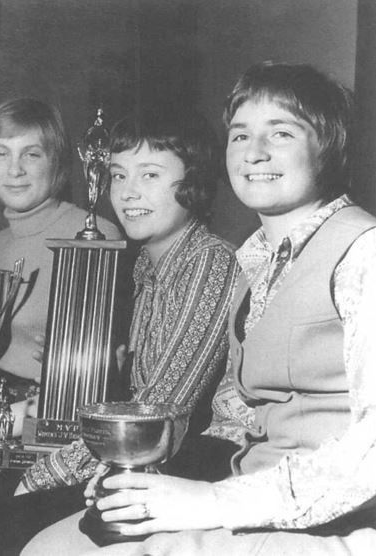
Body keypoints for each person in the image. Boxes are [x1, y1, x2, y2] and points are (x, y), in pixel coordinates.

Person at [23, 62, 376, 556]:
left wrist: (210, 502)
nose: (254, 152)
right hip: (250, 494)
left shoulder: (364, 252)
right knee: (52, 544)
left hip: (334, 521)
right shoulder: (255, 263)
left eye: (281, 133)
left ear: (329, 146)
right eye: (240, 135)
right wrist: (136, 471)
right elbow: (240, 417)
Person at [15, 103, 240, 496]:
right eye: (118, 175)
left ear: (195, 181)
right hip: (147, 461)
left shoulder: (210, 260)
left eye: (150, 175)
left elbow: (158, 413)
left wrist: (45, 474)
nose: (128, 191)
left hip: (205, 471)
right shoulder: (143, 269)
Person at [0, 98, 120, 553]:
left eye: (31, 154)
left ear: (56, 162)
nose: (14, 169)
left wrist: (0, 419)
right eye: (1, 153)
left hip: (46, 433)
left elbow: (92, 391)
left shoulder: (91, 236)